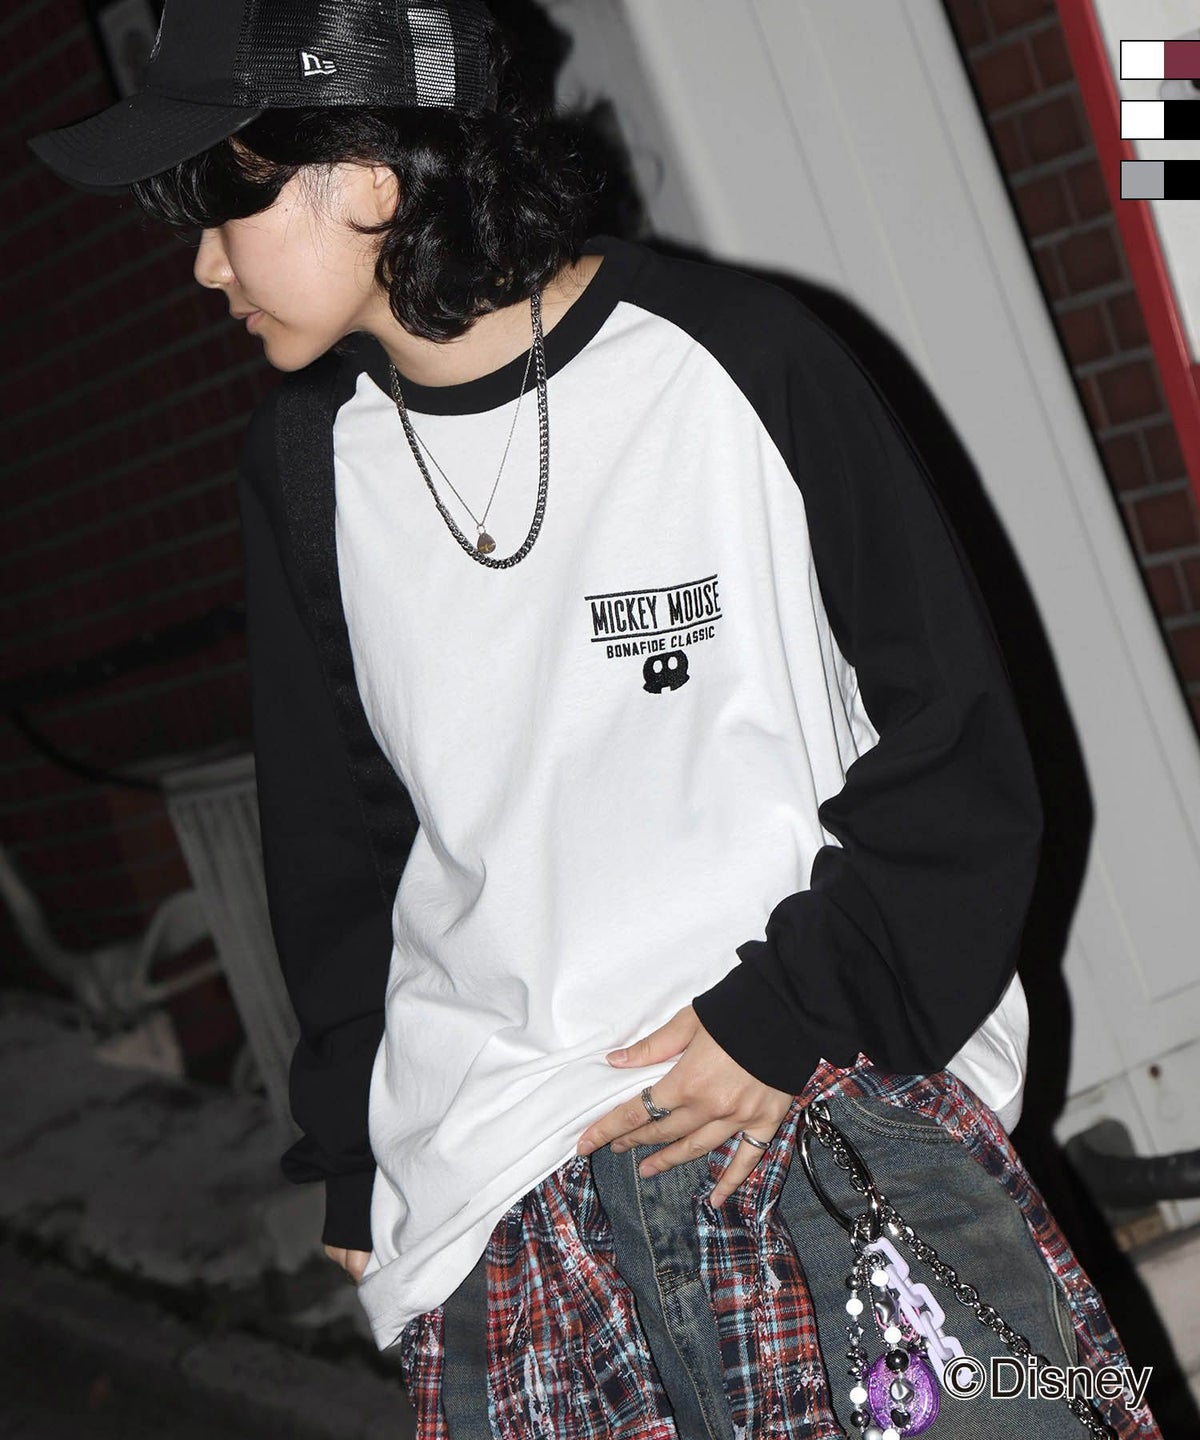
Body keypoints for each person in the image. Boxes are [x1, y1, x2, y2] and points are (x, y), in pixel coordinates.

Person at [29, 4, 1162, 1439]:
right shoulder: (306, 466)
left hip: (825, 1112)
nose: (203, 261)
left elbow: (960, 752)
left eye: (221, 201)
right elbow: (340, 853)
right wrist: (352, 1158)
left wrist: (792, 1011)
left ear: (364, 180)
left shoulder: (736, 361)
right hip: (514, 1195)